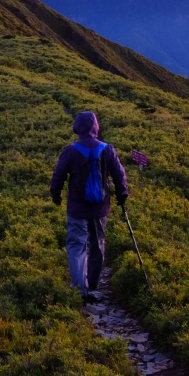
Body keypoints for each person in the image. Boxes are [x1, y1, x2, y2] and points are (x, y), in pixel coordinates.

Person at [49, 111, 129, 302]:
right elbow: (119, 174)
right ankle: (93, 284)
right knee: (97, 245)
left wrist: (56, 194)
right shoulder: (107, 149)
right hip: (100, 209)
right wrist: (122, 194)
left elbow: (58, 175)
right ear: (95, 127)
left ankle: (80, 288)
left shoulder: (70, 151)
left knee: (77, 246)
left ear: (78, 128)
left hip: (77, 208)